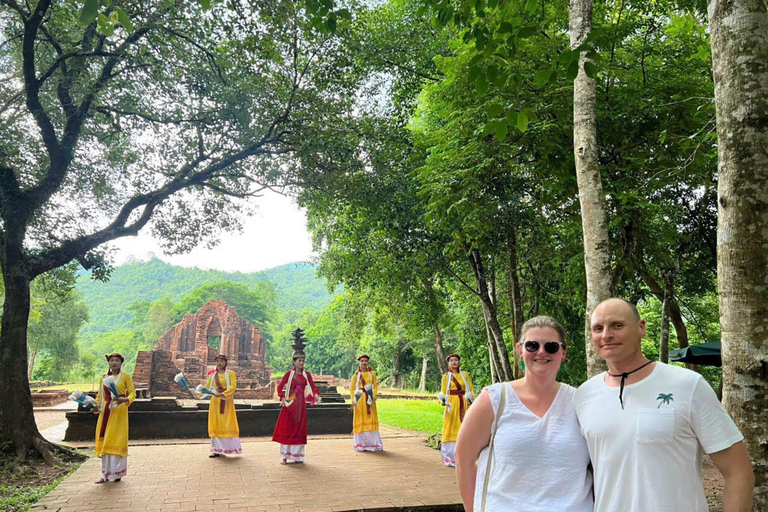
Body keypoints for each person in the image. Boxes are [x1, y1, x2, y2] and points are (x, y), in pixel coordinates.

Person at [576, 298, 754, 512]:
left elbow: (739, 472)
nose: (606, 335)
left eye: (617, 325)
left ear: (641, 328)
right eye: (598, 328)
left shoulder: (687, 385)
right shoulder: (584, 395)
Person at [455, 316, 593, 512]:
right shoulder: (495, 400)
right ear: (520, 350)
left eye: (551, 346)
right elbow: (464, 459)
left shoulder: (581, 402)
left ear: (563, 353)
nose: (541, 352)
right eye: (532, 345)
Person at [93, 353, 136, 484]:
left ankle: (117, 473)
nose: (114, 363)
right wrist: (95, 407)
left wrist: (126, 399)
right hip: (106, 411)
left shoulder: (125, 377)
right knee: (105, 441)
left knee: (117, 440)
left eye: (117, 361)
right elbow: (100, 396)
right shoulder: (104, 378)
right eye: (112, 361)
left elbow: (132, 392)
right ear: (109, 363)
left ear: (121, 363)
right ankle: (104, 473)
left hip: (119, 411)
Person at [272, 347, 320, 464]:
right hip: (290, 404)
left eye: (303, 360)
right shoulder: (289, 374)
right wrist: (282, 397)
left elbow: (313, 387)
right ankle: (285, 456)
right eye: (299, 360)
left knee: (299, 429)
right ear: (294, 362)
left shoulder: (306, 375)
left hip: (301, 405)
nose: (302, 363)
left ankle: (298, 456)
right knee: (288, 428)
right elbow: (279, 387)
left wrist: (316, 394)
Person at [438, 353, 475, 467]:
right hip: (452, 405)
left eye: (456, 360)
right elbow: (444, 391)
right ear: (449, 364)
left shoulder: (465, 375)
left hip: (464, 403)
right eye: (451, 361)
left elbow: (471, 389)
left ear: (459, 362)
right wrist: (443, 401)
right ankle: (450, 457)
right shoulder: (446, 376)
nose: (454, 362)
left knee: (464, 427)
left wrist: (471, 399)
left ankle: (464, 456)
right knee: (450, 427)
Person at [204, 354, 242, 458]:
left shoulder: (230, 374)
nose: (219, 363)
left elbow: (233, 387)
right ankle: (216, 450)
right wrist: (196, 393)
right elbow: (206, 388)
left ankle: (225, 449)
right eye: (217, 361)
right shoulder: (212, 376)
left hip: (226, 400)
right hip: (215, 401)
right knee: (215, 423)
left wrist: (223, 394)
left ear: (226, 363)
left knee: (226, 422)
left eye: (221, 361)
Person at [350, 354, 383, 452]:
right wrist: (354, 399)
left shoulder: (372, 374)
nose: (364, 363)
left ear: (368, 363)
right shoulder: (356, 375)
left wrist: (374, 397)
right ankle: (361, 444)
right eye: (362, 361)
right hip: (360, 400)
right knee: (361, 419)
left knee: (370, 418)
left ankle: (372, 444)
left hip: (369, 399)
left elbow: (375, 386)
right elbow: (352, 388)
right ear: (359, 363)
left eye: (366, 361)